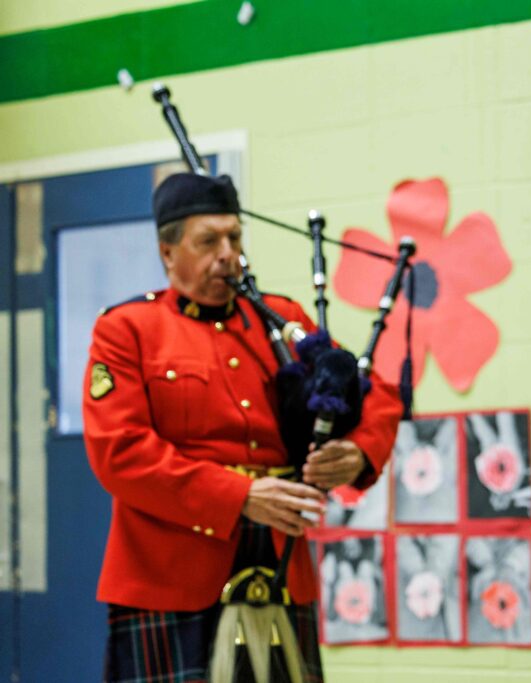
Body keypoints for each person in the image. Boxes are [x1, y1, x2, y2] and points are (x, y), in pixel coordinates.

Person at [83, 173, 403, 682]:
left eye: (234, 237)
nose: (228, 254)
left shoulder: (281, 319)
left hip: (278, 568)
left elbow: (376, 394)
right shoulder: (127, 331)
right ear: (168, 254)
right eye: (208, 241)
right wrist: (241, 496)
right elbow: (120, 453)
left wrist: (359, 451)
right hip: (170, 578)